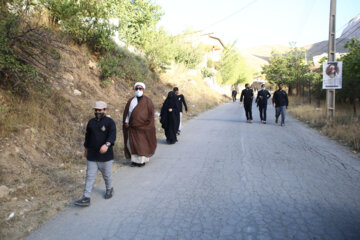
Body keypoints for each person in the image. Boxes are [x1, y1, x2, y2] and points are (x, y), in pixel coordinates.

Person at [75, 101, 116, 207]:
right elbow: (87, 136)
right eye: (96, 110)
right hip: (92, 155)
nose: (98, 112)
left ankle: (109, 189)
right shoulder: (91, 122)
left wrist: (107, 145)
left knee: (107, 175)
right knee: (89, 176)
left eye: (100, 110)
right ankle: (86, 197)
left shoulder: (110, 122)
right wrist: (86, 148)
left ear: (105, 110)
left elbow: (112, 135)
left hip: (105, 156)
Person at [123, 82, 157, 167]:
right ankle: (134, 161)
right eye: (137, 88)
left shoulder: (148, 101)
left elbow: (151, 114)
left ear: (143, 89)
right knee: (131, 144)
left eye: (140, 88)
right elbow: (127, 113)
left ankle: (141, 161)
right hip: (132, 127)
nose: (138, 90)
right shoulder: (131, 101)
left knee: (142, 144)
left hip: (143, 127)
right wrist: (126, 121)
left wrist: (147, 124)